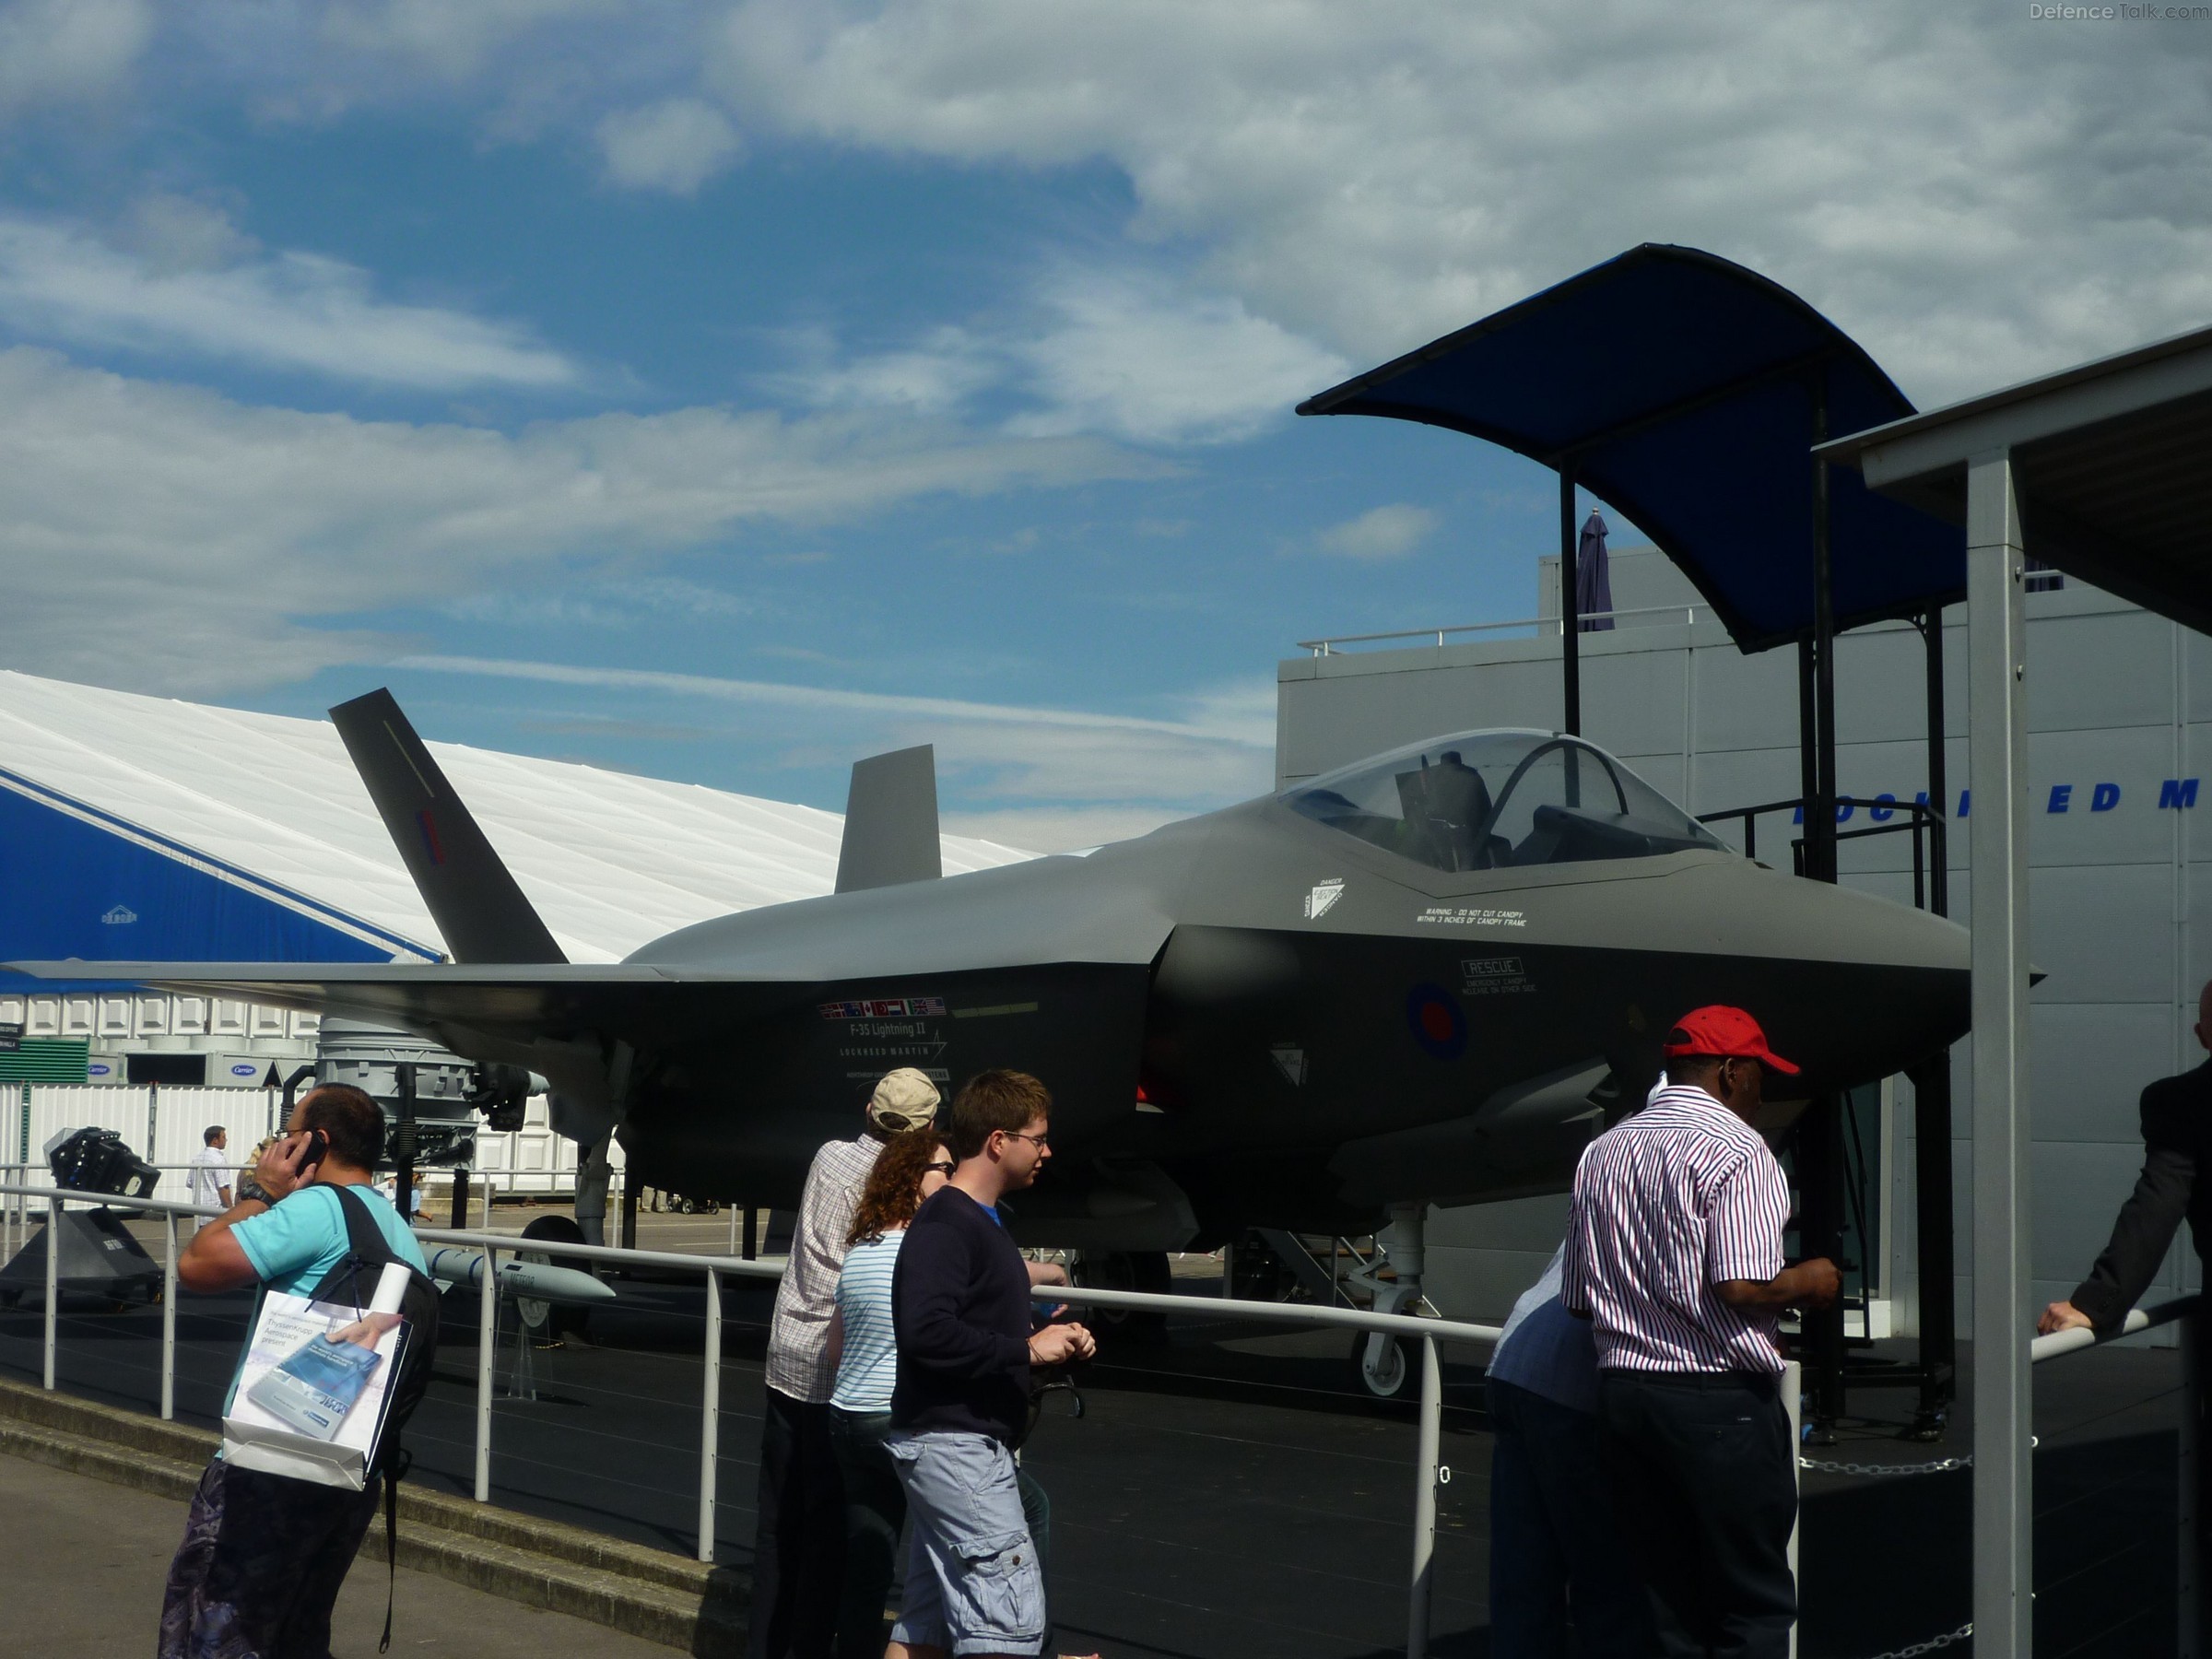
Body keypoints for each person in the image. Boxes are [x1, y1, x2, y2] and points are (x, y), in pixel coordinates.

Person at [1562, 1006, 1841, 1659]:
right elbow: (1741, 1287)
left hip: (1624, 1395)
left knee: (1667, 1602)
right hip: (1714, 1399)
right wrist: (1810, 1281)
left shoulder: (1605, 1150)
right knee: (1752, 1605)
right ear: (1728, 1070)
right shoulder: (1740, 1151)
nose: (1761, 1093)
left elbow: (1580, 1301)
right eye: (1758, 1076)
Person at [159, 1083, 429, 1657]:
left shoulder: (315, 1208)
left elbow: (198, 1264)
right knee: (298, 1630)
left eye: (289, 1131)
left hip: (270, 1460)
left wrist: (262, 1191)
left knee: (219, 1623)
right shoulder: (397, 1226)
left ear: (316, 1141)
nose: (279, 1141)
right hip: (346, 1464)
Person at [827, 1133, 1074, 1659]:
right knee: (1005, 1616)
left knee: (912, 1603)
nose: (945, 1173)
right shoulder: (941, 1231)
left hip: (858, 1416)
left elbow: (834, 1347)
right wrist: (1027, 1348)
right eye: (937, 1166)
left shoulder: (864, 1247)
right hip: (939, 1434)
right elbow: (928, 1331)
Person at [887, 1069, 1094, 1659]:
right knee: (1009, 1626)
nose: (1047, 1151)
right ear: (1000, 1140)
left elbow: (972, 1328)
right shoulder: (950, 1222)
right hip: (956, 1449)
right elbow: (925, 1330)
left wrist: (1047, 1342)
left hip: (956, 1444)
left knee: (925, 1623)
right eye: (1038, 1138)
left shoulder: (978, 1222)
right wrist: (1026, 1350)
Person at [748, 1066, 944, 1659]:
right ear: (928, 1128)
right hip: (843, 1372)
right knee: (830, 1535)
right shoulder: (900, 1182)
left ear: (869, 1113)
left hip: (787, 1354)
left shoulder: (829, 1155)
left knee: (778, 1524)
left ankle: (765, 1647)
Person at [1487, 1239, 1652, 1656]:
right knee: (1609, 1577)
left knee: (1524, 1571)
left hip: (1515, 1362)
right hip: (1571, 1383)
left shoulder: (1606, 1184)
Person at [2040, 977, 2212, 1339]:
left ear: (2201, 1035)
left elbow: (2157, 1207)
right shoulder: (2183, 1101)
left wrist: (2093, 1303)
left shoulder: (2185, 1101)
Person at [187, 1125, 233, 1218]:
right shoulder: (219, 1160)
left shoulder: (196, 1159)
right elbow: (223, 1188)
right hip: (215, 1213)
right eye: (223, 1137)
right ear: (215, 1140)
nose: (226, 1140)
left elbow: (190, 1183)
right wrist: (231, 1210)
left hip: (199, 1212)